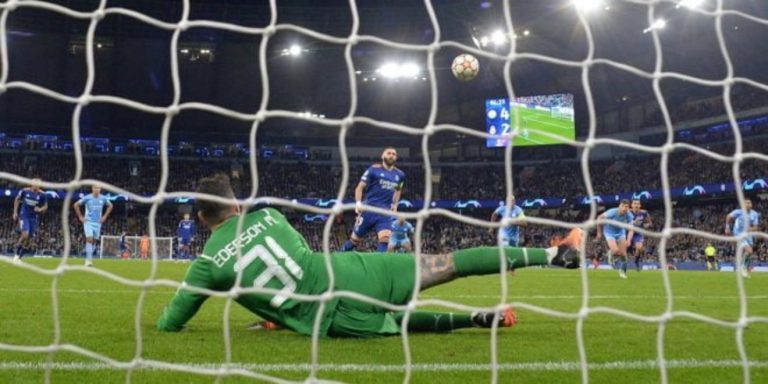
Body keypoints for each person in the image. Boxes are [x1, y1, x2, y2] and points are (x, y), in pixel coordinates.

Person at [157, 174, 584, 337]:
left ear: (199, 215)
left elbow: (170, 323)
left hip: (334, 315)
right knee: (448, 263)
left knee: (391, 323)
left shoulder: (207, 264)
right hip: (358, 268)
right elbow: (294, 255)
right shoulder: (269, 215)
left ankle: (470, 319)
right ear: (237, 205)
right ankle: (552, 253)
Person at [341, 147, 404, 252]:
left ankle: (377, 266)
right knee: (354, 241)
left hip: (385, 212)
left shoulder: (400, 175)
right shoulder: (373, 170)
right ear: (383, 156)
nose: (392, 155)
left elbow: (398, 190)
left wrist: (395, 205)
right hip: (369, 210)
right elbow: (359, 187)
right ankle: (338, 255)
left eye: (394, 154)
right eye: (389, 153)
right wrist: (358, 203)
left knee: (385, 241)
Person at [74, 185, 113, 267]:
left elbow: (110, 205)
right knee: (89, 239)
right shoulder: (87, 198)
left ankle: (89, 254)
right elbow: (76, 205)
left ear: (100, 189)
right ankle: (88, 260)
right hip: (88, 222)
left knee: (94, 240)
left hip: (98, 223)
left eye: (98, 188)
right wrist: (80, 217)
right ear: (92, 189)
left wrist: (104, 216)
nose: (97, 189)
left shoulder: (103, 198)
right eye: (95, 188)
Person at [596, 199, 634, 279]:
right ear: (619, 206)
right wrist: (599, 232)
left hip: (621, 232)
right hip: (609, 232)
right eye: (623, 206)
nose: (624, 208)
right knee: (616, 251)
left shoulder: (629, 215)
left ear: (628, 208)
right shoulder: (612, 212)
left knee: (623, 255)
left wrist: (629, 240)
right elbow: (599, 218)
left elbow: (631, 229)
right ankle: (611, 253)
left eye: (626, 207)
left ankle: (622, 272)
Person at [12, 178, 48, 263]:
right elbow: (17, 199)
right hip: (24, 215)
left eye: (39, 184)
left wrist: (40, 209)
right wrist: (15, 212)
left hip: (34, 218)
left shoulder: (42, 194)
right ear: (32, 184)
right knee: (25, 234)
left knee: (28, 240)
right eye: (35, 183)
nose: (37, 185)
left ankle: (19, 258)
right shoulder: (24, 191)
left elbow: (45, 206)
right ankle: (16, 254)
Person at [725, 198, 760, 278]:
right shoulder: (738, 212)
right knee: (749, 251)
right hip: (738, 234)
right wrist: (727, 227)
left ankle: (743, 268)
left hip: (748, 235)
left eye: (750, 203)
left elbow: (755, 227)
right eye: (746, 203)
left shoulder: (754, 214)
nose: (748, 204)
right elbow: (728, 216)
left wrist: (750, 229)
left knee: (749, 253)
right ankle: (742, 267)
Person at [627, 199, 652, 272]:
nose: (636, 205)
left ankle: (636, 261)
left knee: (640, 247)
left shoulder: (644, 213)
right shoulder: (628, 212)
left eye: (638, 204)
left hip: (638, 234)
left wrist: (642, 225)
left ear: (640, 205)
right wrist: (633, 223)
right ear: (632, 205)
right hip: (627, 233)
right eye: (634, 203)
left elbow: (650, 224)